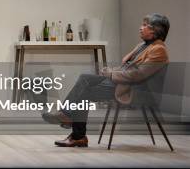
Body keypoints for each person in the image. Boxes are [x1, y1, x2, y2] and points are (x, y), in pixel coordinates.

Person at [42, 13, 170, 147]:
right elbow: (127, 68)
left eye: (145, 25)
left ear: (156, 30)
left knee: (84, 93)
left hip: (134, 90)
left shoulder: (159, 50)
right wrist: (110, 71)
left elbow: (138, 75)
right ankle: (68, 118)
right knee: (85, 78)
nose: (140, 28)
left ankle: (75, 132)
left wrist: (111, 74)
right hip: (121, 83)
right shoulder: (142, 46)